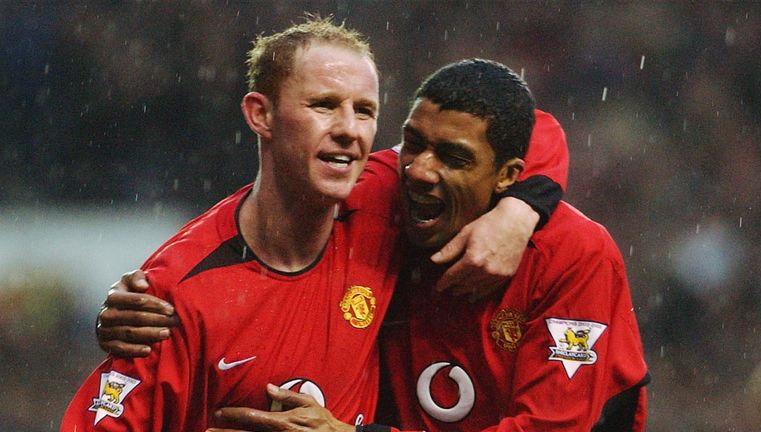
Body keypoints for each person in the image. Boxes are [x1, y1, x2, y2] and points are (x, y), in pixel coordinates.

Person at [62, 18, 567, 431]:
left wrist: (519, 209)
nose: (349, 129)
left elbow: (529, 127)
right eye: (324, 105)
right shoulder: (176, 291)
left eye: (365, 111)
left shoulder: (385, 195)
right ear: (261, 115)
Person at [206, 60, 649, 431]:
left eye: (453, 159)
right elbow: (262, 214)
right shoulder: (378, 193)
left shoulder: (574, 254)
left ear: (510, 175)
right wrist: (157, 287)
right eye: (412, 144)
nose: (418, 170)